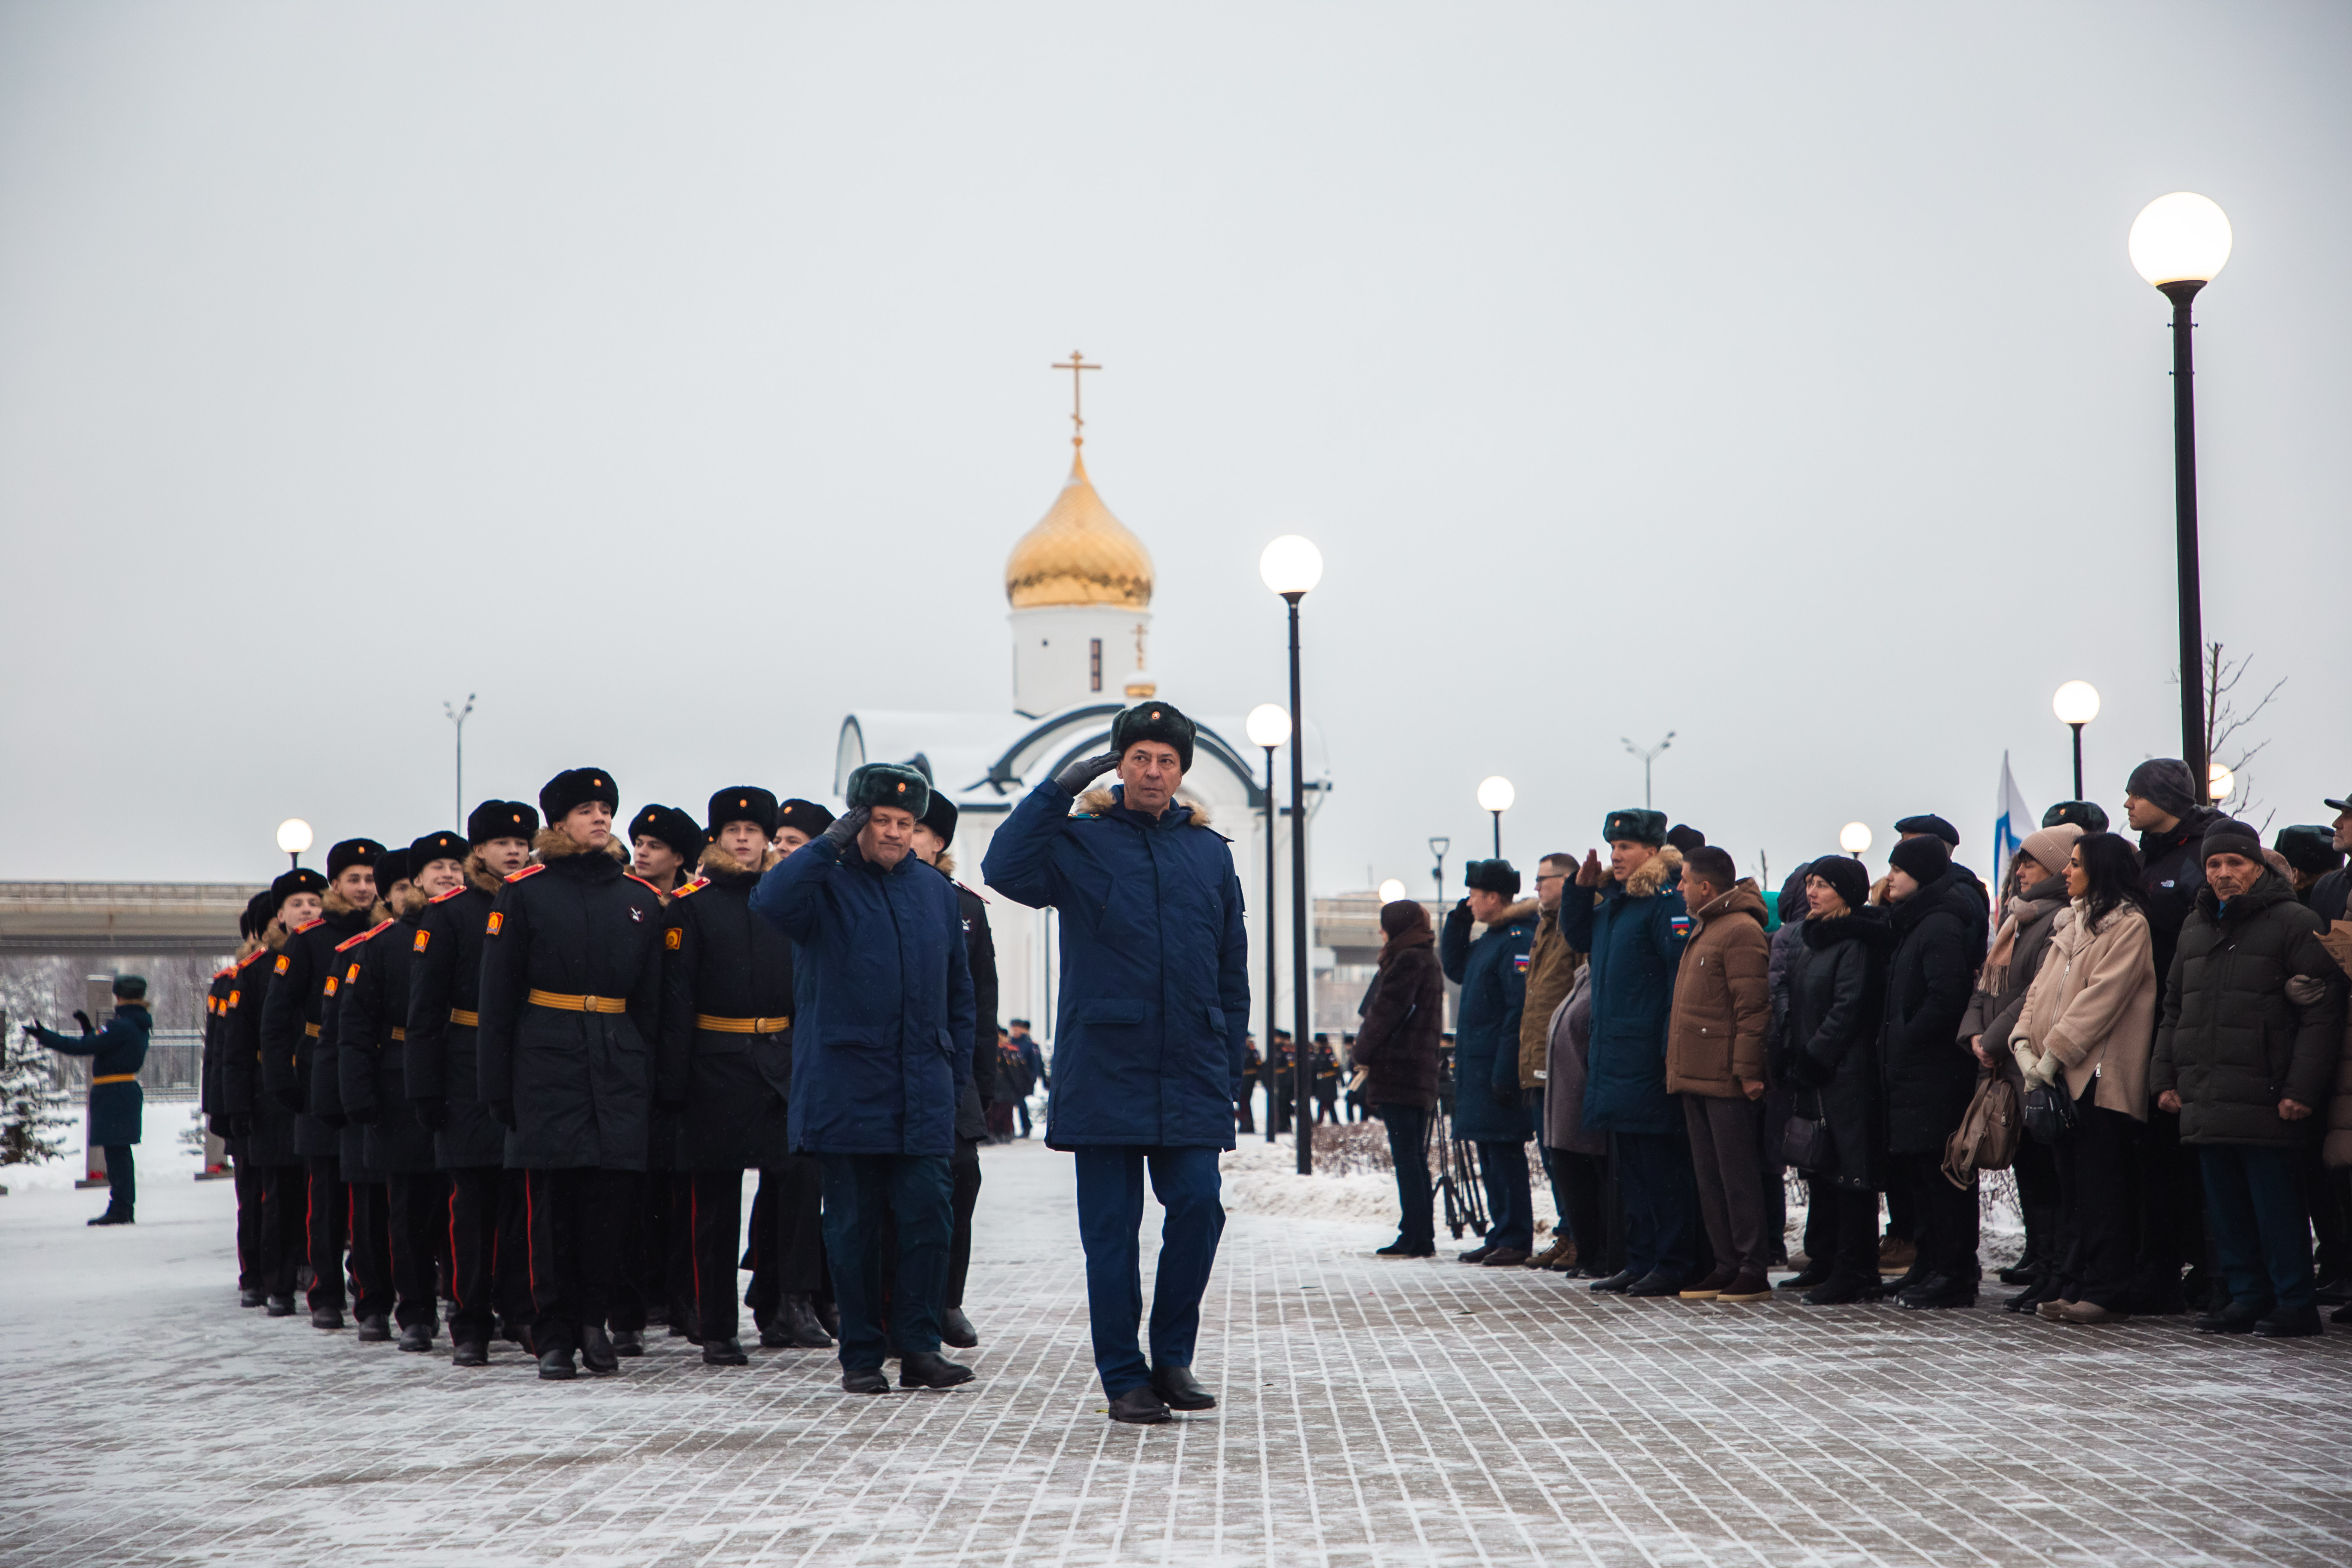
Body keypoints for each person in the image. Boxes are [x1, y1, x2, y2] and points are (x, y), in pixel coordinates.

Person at [983, 700, 1248, 1426]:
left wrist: (1227, 1069)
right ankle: (1124, 1376)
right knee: (1110, 1233)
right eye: (1140, 758)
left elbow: (1231, 970)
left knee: (1198, 1206)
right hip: (1106, 1067)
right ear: (1119, 766)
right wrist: (1055, 791)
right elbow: (1003, 868)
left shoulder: (1210, 852)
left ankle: (1172, 1357)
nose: (1153, 771)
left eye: (1166, 760)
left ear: (1182, 771)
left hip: (1189, 1068)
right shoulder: (1080, 841)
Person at [754, 763, 975, 1396]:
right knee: (853, 1229)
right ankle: (861, 1355)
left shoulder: (935, 892)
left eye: (906, 822)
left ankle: (920, 1348)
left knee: (929, 1220)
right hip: (847, 1087)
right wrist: (827, 844)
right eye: (882, 821)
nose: (896, 833)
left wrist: (954, 1075)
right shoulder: (823, 883)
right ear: (858, 823)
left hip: (922, 1088)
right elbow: (769, 902)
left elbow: (959, 994)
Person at [478, 767, 666, 1380]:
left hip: (616, 1061)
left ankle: (593, 1321)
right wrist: (496, 1085)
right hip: (546, 1061)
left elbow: (652, 1004)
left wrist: (652, 1076)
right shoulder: (525, 893)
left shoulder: (638, 899)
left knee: (609, 1205)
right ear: (558, 822)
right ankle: (553, 1330)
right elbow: (498, 998)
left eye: (606, 808)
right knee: (549, 1206)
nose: (600, 818)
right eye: (586, 809)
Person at [2151, 818, 2347, 1337]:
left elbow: (2322, 1013)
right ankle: (2247, 1296)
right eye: (2214, 864)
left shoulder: (2294, 922)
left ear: (2258, 867)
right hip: (2207, 1091)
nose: (2223, 873)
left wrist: (2301, 1090)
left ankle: (2294, 1302)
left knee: (2276, 1207)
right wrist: (2164, 1077)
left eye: (2235, 862)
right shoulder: (2195, 927)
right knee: (2227, 1208)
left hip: (2268, 1092)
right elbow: (2174, 1008)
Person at [660, 787, 800, 1368]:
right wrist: (673, 1085)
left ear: (768, 839)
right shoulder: (692, 907)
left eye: (753, 830)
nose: (743, 839)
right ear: (715, 838)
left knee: (789, 1193)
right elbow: (675, 1002)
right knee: (714, 1208)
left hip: (781, 1066)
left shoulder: (787, 901)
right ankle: (717, 1326)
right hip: (714, 1067)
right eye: (733, 830)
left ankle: (778, 1306)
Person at [406, 799, 538, 1367]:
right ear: (477, 851)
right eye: (501, 842)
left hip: (527, 1065)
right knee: (472, 1205)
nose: (514, 851)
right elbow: (425, 1012)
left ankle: (521, 1309)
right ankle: (470, 1318)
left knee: (523, 1204)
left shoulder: (536, 900)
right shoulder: (452, 914)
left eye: (521, 842)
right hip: (465, 1068)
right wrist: (425, 1089)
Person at [2011, 832, 2159, 1326]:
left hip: (2099, 1076)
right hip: (2057, 1074)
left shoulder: (2129, 925)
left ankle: (2105, 1288)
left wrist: (2052, 1054)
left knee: (2102, 1190)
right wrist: (2022, 1043)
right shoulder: (2070, 922)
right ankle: (2074, 1283)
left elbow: (2102, 999)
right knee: (2071, 1189)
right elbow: (2039, 994)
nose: (2066, 872)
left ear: (2101, 869)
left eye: (2075, 864)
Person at [1558, 809, 1697, 1297]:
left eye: (1626, 848)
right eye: (1613, 847)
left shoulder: (1664, 904)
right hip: (1615, 1057)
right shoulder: (1617, 905)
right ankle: (1640, 1259)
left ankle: (1672, 1261)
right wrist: (1580, 890)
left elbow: (1678, 981)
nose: (1615, 856)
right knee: (1632, 1170)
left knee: (1661, 1168)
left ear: (1653, 852)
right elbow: (1578, 936)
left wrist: (1667, 1050)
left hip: (1646, 1057)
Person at [261, 836, 383, 1331]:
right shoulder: (311, 940)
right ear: (334, 884)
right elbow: (277, 1016)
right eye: (354, 879)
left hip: (373, 1072)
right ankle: (326, 1290)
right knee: (327, 1192)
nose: (364, 888)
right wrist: (284, 1081)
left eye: (370, 879)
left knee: (372, 1191)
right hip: (321, 1071)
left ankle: (371, 1287)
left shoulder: (388, 932)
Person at [1960, 822, 2083, 1311]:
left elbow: (2033, 993)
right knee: (2029, 1172)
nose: (2021, 872)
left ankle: (2057, 1271)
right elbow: (1985, 986)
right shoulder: (2017, 920)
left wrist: (1991, 1040)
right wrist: (1974, 1034)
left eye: (2031, 863)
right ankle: (2043, 1265)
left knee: (2050, 1175)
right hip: (2003, 1063)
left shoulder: (2057, 920)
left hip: (2029, 1062)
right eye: (2020, 864)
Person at [340, 841, 454, 1351]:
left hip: (460, 1078)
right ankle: (414, 1310)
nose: (448, 875)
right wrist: (359, 1096)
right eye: (436, 869)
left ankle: (465, 1299)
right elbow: (355, 1029)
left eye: (455, 866)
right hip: (399, 1084)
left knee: (461, 1206)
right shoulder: (382, 945)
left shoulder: (471, 927)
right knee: (406, 1209)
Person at [902, 788, 998, 1352]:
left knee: (963, 1176)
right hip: (886, 1061)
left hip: (949, 1063)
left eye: (917, 829)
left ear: (938, 843)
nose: (904, 837)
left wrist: (981, 1085)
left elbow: (982, 1003)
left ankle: (946, 1298)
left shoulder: (967, 909)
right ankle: (892, 1304)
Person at [741, 796, 838, 1351]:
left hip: (818, 1057)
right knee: (790, 1179)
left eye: (794, 843)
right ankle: (784, 1295)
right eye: (779, 841)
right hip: (776, 1060)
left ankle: (805, 1293)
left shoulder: (826, 901)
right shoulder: (770, 902)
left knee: (811, 1182)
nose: (780, 850)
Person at [2127, 757, 2223, 1313]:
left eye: (2136, 794)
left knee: (2195, 1154)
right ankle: (2164, 1268)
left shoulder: (2202, 853)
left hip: (2192, 1017)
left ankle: (2211, 1272)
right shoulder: (2148, 856)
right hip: (2153, 1019)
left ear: (2164, 799)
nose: (2127, 804)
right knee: (2157, 1152)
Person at [1876, 832, 1988, 1309]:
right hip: (1912, 1071)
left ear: (1920, 875)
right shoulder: (1914, 920)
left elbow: (1946, 996)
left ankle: (1953, 1271)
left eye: (1898, 870)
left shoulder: (1939, 923)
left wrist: (1906, 1036)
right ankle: (1929, 1263)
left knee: (1943, 1178)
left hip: (1934, 1072)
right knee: (1920, 1176)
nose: (1889, 878)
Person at [1781, 853, 1893, 1304]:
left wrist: (1817, 1055)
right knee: (1821, 1166)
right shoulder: (1812, 937)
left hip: (1847, 1073)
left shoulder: (1856, 941)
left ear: (1846, 893)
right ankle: (1825, 1259)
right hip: (1817, 1070)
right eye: (1810, 883)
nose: (1812, 892)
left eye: (1823, 885)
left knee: (1851, 1172)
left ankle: (1856, 1269)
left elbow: (1849, 1006)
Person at [1663, 845, 1773, 1303]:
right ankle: (1726, 1264)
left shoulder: (1741, 930)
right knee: (1711, 1178)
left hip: (1727, 1079)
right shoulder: (1707, 927)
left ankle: (1752, 1268)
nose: (1679, 888)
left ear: (1706, 887)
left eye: (1685, 880)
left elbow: (1754, 1009)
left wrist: (1748, 1071)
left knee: (1737, 1177)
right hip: (1697, 1076)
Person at [224, 868, 325, 1315]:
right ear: (279, 916)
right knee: (276, 1196)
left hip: (319, 1085)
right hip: (272, 1094)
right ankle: (273, 1281)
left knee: (320, 1193)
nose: (308, 910)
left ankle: (314, 1271)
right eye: (297, 904)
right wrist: (236, 1106)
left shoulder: (336, 953)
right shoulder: (255, 973)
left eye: (314, 902)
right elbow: (237, 1047)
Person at [1439, 860, 1540, 1267]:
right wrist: (1459, 922)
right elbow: (1455, 967)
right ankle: (1501, 1233)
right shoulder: (1491, 940)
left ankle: (1515, 1236)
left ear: (1494, 898)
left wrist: (1506, 1068)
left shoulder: (1516, 940)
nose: (1470, 902)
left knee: (1504, 1152)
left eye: (1474, 896)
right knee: (1490, 1151)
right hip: (1479, 1064)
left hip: (1497, 1064)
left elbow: (1518, 1010)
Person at [329, 845, 410, 1344]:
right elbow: (342, 1034)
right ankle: (372, 1298)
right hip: (376, 1085)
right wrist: (344, 1099)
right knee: (370, 1206)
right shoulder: (360, 949)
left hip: (418, 1087)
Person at [1351, 897, 1445, 1257]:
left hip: (1400, 1072)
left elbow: (1384, 1015)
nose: (1381, 931)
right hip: (1416, 1072)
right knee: (1414, 1156)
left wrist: (1360, 1053)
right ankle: (1420, 1233)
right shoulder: (1424, 959)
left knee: (1408, 1157)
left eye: (1385, 924)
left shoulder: (1407, 961)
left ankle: (1415, 1235)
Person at [24, 974, 152, 1225]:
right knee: (120, 1152)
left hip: (114, 1093)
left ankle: (121, 1208)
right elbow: (103, 1047)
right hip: (123, 1091)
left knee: (116, 1153)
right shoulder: (137, 1023)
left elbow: (82, 1048)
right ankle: (124, 1206)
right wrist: (89, 1031)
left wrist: (45, 1036)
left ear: (118, 997)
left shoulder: (121, 1025)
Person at [1517, 853, 1582, 1270]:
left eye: (1544, 879)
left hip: (1563, 1056)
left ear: (1567, 880)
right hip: (1540, 1055)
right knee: (1550, 1154)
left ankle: (1580, 1236)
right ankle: (1567, 1232)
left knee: (1566, 1155)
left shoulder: (1574, 923)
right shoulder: (1545, 924)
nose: (1537, 887)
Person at [1540, 965, 1608, 1275]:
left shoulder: (1601, 980)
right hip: (1565, 1105)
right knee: (1569, 1172)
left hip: (1584, 1105)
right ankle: (1587, 1252)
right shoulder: (1583, 976)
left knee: (1592, 1180)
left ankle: (1599, 1254)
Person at [1011, 1020, 1046, 1138]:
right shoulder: (1011, 1043)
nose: (1015, 1031)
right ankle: (1014, 1128)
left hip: (1024, 1079)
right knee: (1012, 1103)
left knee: (1020, 1102)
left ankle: (1026, 1126)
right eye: (1013, 1029)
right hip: (1012, 1078)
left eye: (1017, 1029)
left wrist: (1032, 1078)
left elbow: (1035, 1063)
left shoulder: (1028, 1044)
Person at [1310, 1035, 1341, 1124]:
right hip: (1322, 1083)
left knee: (1325, 1103)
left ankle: (1320, 1122)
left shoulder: (1329, 1053)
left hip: (1329, 1083)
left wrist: (1340, 1080)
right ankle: (1335, 1122)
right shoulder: (1318, 1053)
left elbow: (1337, 1068)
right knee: (1329, 1105)